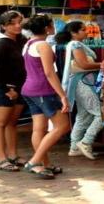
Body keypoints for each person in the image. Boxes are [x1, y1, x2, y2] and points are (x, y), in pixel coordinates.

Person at [21, 14, 70, 180]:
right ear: (47, 28)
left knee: (38, 129)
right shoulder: (44, 45)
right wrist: (62, 95)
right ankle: (35, 161)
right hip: (43, 89)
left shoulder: (28, 44)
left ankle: (44, 164)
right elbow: (49, 72)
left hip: (29, 89)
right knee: (62, 126)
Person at [56, 21, 103, 160]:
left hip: (80, 82)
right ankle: (86, 142)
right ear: (74, 33)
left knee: (83, 116)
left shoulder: (74, 45)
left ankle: (74, 147)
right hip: (83, 82)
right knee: (102, 113)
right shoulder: (76, 45)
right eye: (83, 30)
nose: (86, 32)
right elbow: (83, 64)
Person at [0, 11, 28, 171]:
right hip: (3, 88)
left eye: (19, 22)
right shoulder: (1, 43)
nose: (17, 26)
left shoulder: (21, 41)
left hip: (19, 88)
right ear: (4, 26)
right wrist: (5, 89)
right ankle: (1, 158)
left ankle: (12, 155)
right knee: (0, 123)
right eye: (12, 23)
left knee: (12, 123)